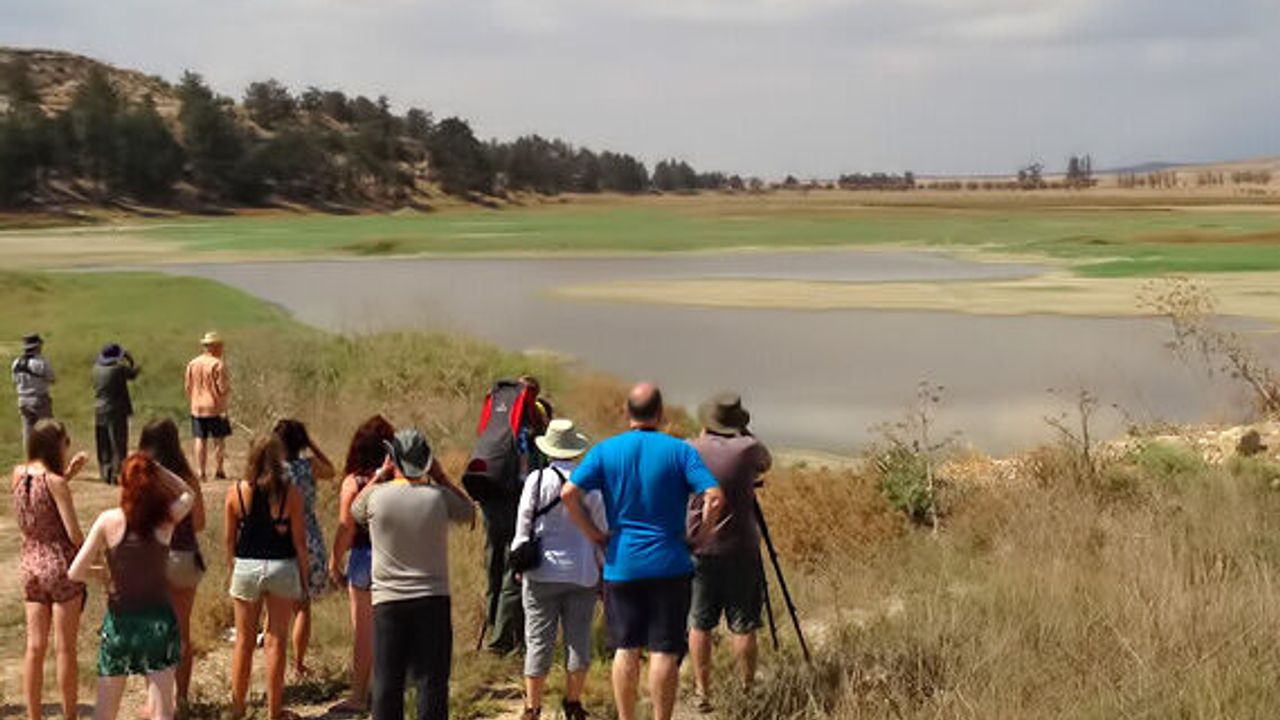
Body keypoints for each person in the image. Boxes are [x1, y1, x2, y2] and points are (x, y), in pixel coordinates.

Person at [561, 384, 725, 720]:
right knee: (664, 651)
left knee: (626, 648)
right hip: (670, 563)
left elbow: (568, 493)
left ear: (626, 412)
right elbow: (715, 496)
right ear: (660, 413)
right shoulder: (680, 451)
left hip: (622, 563)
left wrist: (594, 534)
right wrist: (700, 536)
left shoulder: (605, 451)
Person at [352, 428, 474, 720]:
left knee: (387, 681)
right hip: (432, 599)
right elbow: (469, 513)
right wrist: (442, 478)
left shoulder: (376, 498)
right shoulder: (439, 497)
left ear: (393, 459)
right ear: (427, 461)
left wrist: (380, 474)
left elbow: (355, 510)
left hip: (388, 602)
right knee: (431, 681)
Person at [68, 453, 195, 720]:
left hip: (119, 623)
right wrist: (158, 469)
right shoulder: (165, 520)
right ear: (154, 485)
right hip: (158, 621)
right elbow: (188, 493)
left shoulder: (107, 521)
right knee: (162, 711)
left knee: (105, 711)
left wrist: (103, 575)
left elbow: (75, 572)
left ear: (122, 483)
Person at [511, 419, 605, 720]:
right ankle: (573, 704)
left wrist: (519, 562)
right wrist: (603, 568)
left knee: (538, 641)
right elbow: (601, 530)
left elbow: (523, 525)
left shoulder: (536, 480)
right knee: (578, 640)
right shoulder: (590, 483)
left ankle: (532, 707)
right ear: (576, 450)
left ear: (548, 449)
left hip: (541, 571)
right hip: (582, 572)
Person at [686, 393, 773, 712]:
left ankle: (702, 691)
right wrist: (744, 432)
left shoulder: (691, 448)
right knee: (744, 623)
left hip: (700, 544)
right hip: (741, 546)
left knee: (699, 622)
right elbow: (766, 462)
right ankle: (746, 688)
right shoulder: (748, 448)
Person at [224, 435, 309, 720]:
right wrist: (305, 578)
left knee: (244, 641)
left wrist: (232, 570)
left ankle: (238, 709)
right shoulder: (291, 493)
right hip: (281, 567)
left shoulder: (236, 492)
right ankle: (274, 712)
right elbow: (299, 542)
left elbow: (229, 541)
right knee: (276, 640)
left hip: (246, 566)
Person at [12, 419, 87, 720]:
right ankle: (70, 715)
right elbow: (74, 534)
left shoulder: (18, 474)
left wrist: (68, 475)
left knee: (34, 647)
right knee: (65, 648)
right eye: (65, 442)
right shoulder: (55, 483)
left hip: (31, 564)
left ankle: (34, 715)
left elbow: (39, 506)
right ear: (55, 446)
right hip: (59, 566)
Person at [328, 415, 396, 713]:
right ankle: (388, 690)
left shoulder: (354, 482)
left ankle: (358, 695)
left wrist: (334, 560)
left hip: (363, 556)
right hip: (394, 557)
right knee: (392, 628)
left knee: (364, 632)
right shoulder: (398, 479)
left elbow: (346, 525)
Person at [138, 418, 205, 712]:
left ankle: (154, 701)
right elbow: (199, 522)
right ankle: (182, 698)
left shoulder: (142, 477)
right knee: (182, 633)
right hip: (184, 557)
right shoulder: (187, 478)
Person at [272, 418, 335, 679]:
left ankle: (274, 663)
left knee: (275, 609)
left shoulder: (273, 470)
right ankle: (298, 664)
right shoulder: (309, 466)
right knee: (302, 606)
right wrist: (312, 445)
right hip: (309, 537)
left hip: (278, 537)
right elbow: (331, 470)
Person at [184, 331, 231, 481]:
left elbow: (188, 387)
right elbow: (222, 388)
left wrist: (194, 399)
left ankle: (201, 472)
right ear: (214, 346)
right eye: (220, 346)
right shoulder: (218, 364)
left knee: (200, 439)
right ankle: (219, 470)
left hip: (197, 407)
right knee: (219, 439)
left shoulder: (193, 363)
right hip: (215, 407)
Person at [92, 343, 140, 485]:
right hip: (116, 410)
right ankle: (117, 473)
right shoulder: (118, 369)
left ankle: (105, 472)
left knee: (103, 443)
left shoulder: (96, 369)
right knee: (118, 443)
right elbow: (133, 373)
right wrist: (129, 358)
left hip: (99, 408)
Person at [12, 333, 55, 451]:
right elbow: (52, 379)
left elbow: (15, 381)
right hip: (39, 399)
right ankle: (48, 457)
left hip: (22, 400)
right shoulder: (41, 362)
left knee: (28, 432)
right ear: (37, 346)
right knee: (47, 431)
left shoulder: (16, 363)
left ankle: (30, 457)